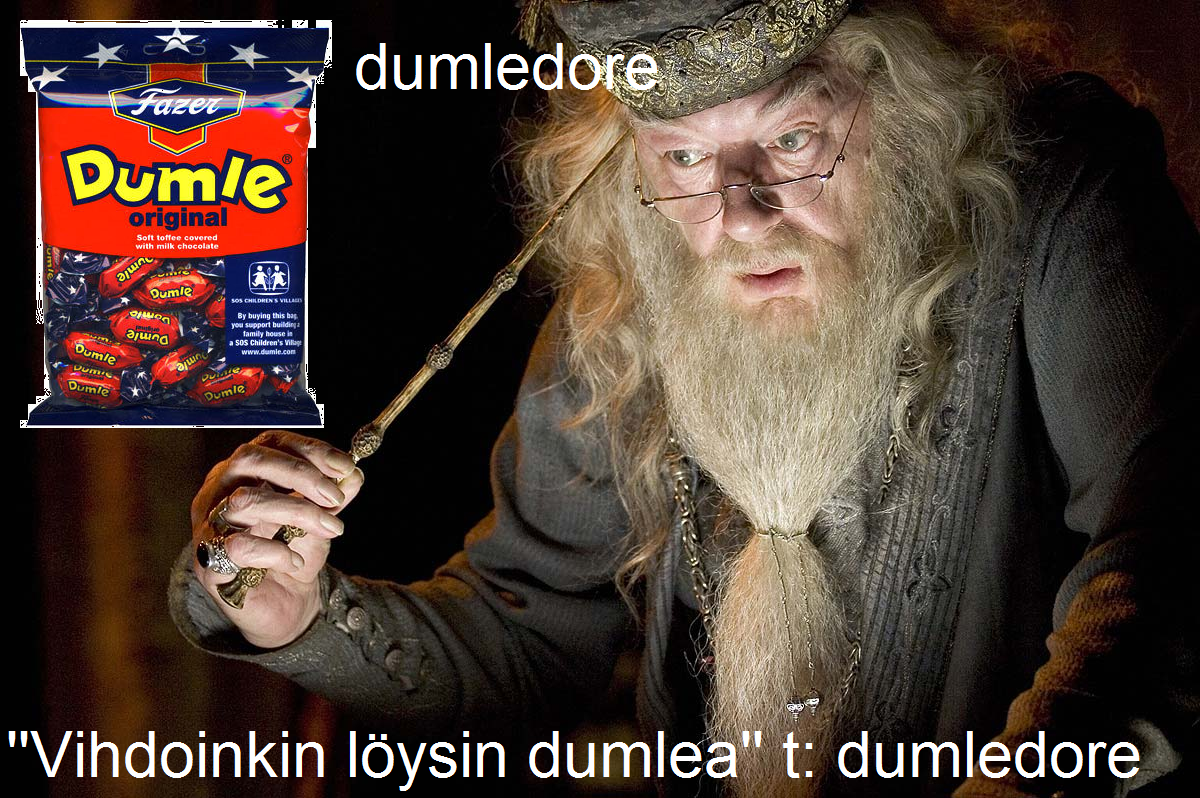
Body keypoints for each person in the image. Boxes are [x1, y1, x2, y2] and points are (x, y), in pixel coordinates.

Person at [171, 1, 1198, 795]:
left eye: (793, 140)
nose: (741, 215)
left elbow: (1164, 566)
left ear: (903, 102)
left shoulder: (1061, 190)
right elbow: (528, 642)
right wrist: (301, 612)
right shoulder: (637, 281)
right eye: (687, 155)